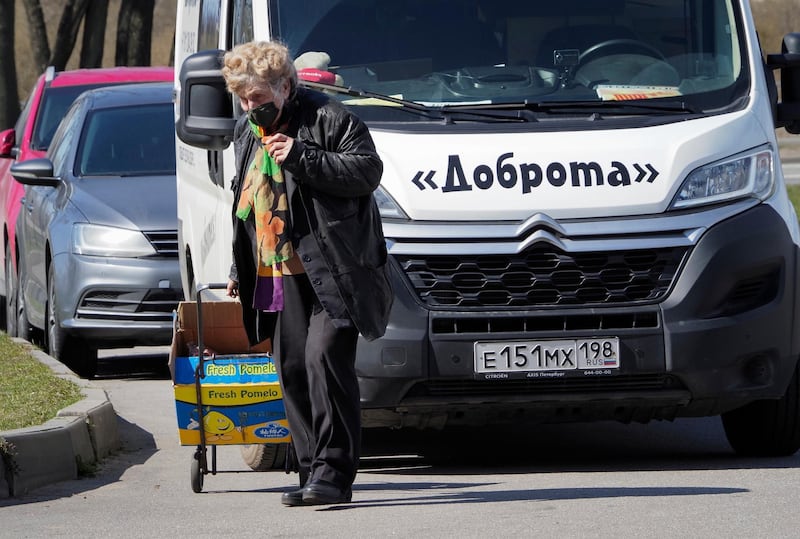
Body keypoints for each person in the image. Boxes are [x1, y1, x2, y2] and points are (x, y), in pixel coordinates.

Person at [221, 41, 392, 506]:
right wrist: (237, 265)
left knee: (323, 358)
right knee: (291, 367)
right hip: (278, 271)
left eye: (258, 98)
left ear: (286, 86)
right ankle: (310, 469)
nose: (250, 107)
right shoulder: (245, 131)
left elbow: (366, 172)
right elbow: (245, 200)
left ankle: (334, 475)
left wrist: (301, 155)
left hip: (337, 267)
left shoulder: (329, 118)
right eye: (243, 99)